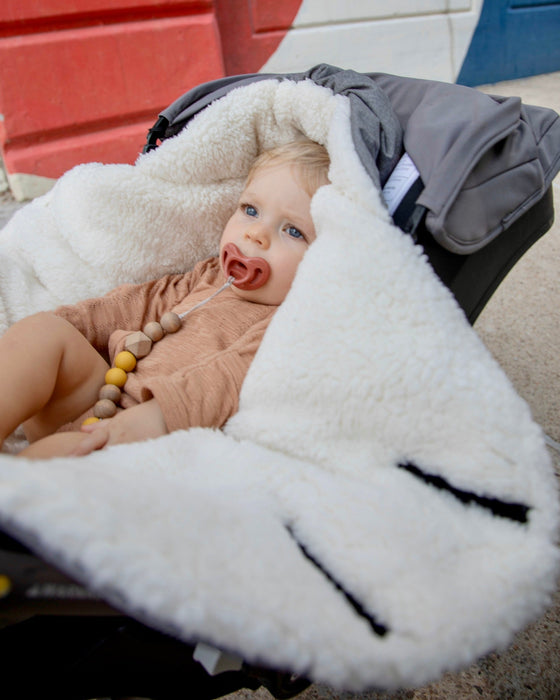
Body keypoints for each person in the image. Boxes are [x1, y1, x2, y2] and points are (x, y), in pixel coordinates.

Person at [0, 139, 330, 459]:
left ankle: (22, 483)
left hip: (139, 436)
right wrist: (75, 325)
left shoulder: (286, 321)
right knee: (43, 332)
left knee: (55, 455)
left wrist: (153, 418)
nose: (255, 234)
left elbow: (226, 379)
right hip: (101, 396)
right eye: (250, 209)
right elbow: (136, 304)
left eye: (293, 231)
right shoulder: (209, 276)